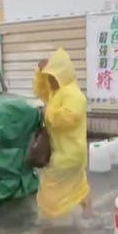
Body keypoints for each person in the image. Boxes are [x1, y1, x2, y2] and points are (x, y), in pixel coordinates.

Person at [33, 48, 92, 220]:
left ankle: (51, 225)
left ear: (62, 75)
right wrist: (40, 72)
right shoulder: (57, 91)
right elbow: (40, 90)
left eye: (52, 76)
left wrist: (48, 113)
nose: (49, 80)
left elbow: (69, 117)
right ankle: (88, 217)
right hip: (69, 153)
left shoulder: (74, 94)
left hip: (68, 155)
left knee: (49, 193)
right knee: (78, 188)